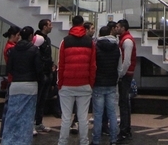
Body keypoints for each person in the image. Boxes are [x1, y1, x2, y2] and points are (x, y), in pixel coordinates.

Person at [58, 15, 96, 145]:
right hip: (84, 84)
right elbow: (93, 66)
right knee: (83, 118)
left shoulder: (65, 41)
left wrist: (60, 83)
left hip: (67, 84)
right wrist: (91, 83)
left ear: (72, 24)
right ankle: (84, 142)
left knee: (66, 118)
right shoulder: (90, 42)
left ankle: (62, 142)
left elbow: (61, 65)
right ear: (82, 24)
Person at [3, 26, 43, 145]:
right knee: (27, 117)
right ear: (31, 36)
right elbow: (39, 69)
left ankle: (8, 141)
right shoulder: (34, 50)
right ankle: (23, 141)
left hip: (15, 84)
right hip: (30, 85)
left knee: (12, 115)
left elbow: (9, 68)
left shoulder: (13, 50)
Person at [92, 26, 120, 145]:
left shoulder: (95, 47)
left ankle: (96, 140)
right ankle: (113, 139)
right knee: (112, 113)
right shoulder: (116, 47)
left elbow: (93, 66)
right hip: (111, 83)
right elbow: (119, 67)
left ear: (100, 34)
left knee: (98, 114)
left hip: (98, 83)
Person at [114, 19, 136, 143]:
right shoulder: (124, 39)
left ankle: (125, 130)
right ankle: (125, 128)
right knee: (124, 102)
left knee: (123, 102)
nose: (116, 28)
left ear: (123, 28)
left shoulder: (127, 41)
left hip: (125, 75)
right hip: (126, 74)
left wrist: (120, 74)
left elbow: (126, 61)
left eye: (118, 27)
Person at [35, 18, 55, 134]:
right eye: (49, 25)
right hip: (41, 74)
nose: (51, 26)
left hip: (47, 72)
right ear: (44, 27)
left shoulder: (47, 39)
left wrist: (51, 64)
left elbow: (47, 55)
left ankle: (39, 122)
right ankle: (33, 122)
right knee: (37, 99)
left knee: (43, 99)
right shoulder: (38, 39)